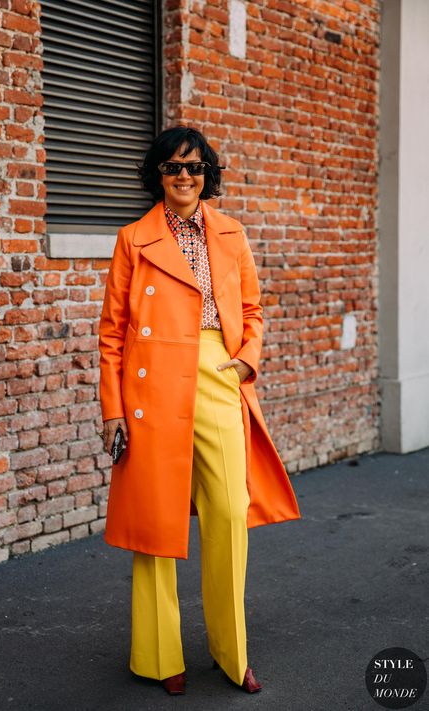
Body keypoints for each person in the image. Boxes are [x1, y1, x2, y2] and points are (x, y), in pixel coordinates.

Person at [98, 125, 301, 696]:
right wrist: (112, 410)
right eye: (171, 167)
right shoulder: (133, 239)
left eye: (193, 166)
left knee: (229, 513)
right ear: (157, 176)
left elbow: (254, 309)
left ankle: (231, 653)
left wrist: (244, 363)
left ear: (207, 173)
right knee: (156, 523)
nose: (183, 176)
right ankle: (159, 657)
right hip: (151, 385)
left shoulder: (232, 233)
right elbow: (112, 332)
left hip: (217, 372)